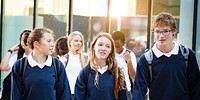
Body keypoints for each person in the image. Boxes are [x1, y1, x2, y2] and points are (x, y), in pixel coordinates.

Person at [132, 12, 200, 100]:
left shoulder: (187, 55)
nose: (161, 36)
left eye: (165, 31)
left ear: (174, 31)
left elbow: (196, 89)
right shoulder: (146, 60)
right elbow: (139, 92)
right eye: (157, 31)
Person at [11, 28, 72, 100]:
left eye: (52, 41)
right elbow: (15, 95)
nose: (52, 44)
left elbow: (65, 95)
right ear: (36, 44)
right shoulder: (20, 66)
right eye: (48, 41)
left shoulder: (57, 65)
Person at [74, 32, 127, 100]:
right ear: (94, 47)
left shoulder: (117, 73)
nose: (103, 48)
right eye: (100, 45)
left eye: (108, 46)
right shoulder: (85, 73)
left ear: (111, 50)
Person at [61, 31, 87, 99]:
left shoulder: (85, 58)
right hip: (68, 94)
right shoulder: (64, 58)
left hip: (81, 93)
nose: (79, 43)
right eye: (76, 41)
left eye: (80, 41)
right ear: (70, 42)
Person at [111, 31, 137, 100]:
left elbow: (134, 76)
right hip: (111, 90)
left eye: (118, 46)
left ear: (123, 43)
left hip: (125, 90)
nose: (115, 48)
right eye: (114, 46)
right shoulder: (110, 54)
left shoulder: (130, 54)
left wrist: (129, 61)